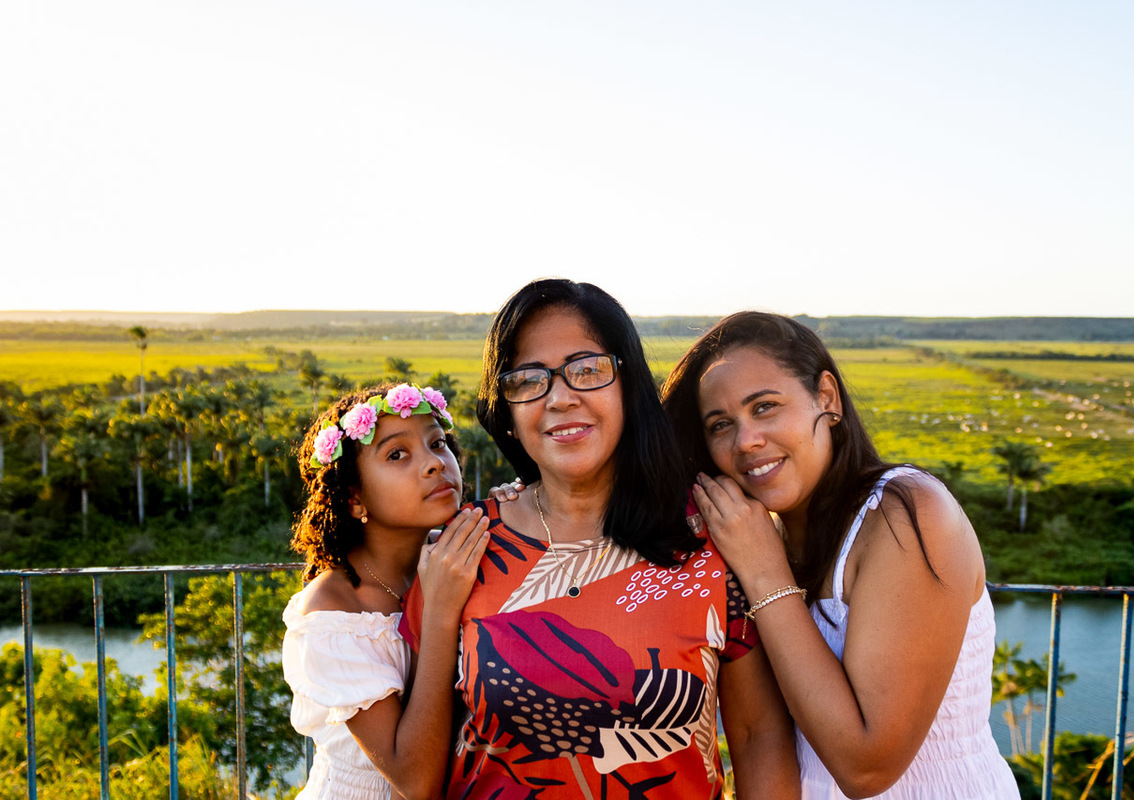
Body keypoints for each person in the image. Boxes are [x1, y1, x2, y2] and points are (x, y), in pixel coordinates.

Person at [399, 279, 801, 798]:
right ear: (508, 410)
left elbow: (757, 735)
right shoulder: (464, 547)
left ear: (627, 384)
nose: (561, 398)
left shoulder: (708, 540)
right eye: (528, 380)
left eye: (586, 370)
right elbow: (416, 774)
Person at [660, 311, 1019, 799]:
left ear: (825, 397)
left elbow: (866, 766)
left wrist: (764, 572)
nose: (746, 441)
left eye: (765, 407)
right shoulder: (763, 539)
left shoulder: (907, 514)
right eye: (721, 424)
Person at [283, 383, 490, 799]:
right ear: (355, 498)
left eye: (437, 443)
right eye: (397, 454)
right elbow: (415, 783)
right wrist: (438, 615)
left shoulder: (449, 557)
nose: (434, 464)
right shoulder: (333, 617)